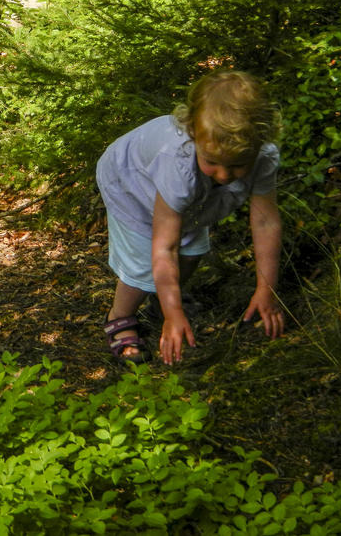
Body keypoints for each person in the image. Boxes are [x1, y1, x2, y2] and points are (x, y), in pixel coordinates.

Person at [95, 70, 284, 366]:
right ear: (194, 134)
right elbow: (164, 246)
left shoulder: (262, 157)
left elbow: (265, 222)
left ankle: (164, 296)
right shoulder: (177, 161)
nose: (223, 175)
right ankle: (120, 316)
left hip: (188, 194)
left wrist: (266, 289)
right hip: (130, 183)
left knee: (193, 249)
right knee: (143, 265)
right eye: (212, 162)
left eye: (237, 165)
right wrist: (174, 316)